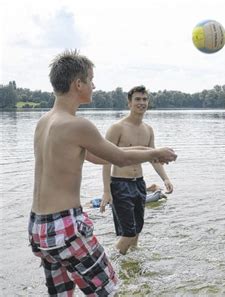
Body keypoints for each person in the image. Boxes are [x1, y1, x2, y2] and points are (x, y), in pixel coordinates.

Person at [28, 50, 177, 296]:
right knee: (109, 290)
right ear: (78, 84)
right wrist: (154, 153)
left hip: (39, 227)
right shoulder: (78, 125)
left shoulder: (45, 122)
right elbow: (120, 157)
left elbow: (104, 155)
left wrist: (153, 151)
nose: (94, 85)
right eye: (91, 80)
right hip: (66, 226)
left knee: (62, 293)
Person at [100, 85, 174, 255]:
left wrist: (165, 178)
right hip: (120, 185)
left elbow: (153, 157)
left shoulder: (148, 130)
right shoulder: (117, 127)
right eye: (137, 99)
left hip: (139, 184)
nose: (141, 103)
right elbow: (106, 160)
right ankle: (111, 263)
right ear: (129, 103)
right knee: (128, 233)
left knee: (137, 232)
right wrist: (106, 191)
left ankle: (133, 267)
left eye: (144, 99)